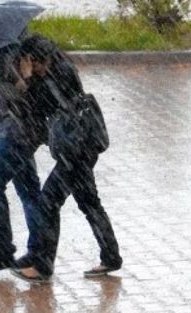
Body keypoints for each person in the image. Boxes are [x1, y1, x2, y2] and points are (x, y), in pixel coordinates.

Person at [11, 34, 123, 282]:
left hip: (75, 152)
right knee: (89, 202)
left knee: (48, 202)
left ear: (33, 59)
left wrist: (28, 80)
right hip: (84, 146)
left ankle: (42, 266)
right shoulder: (62, 68)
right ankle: (111, 256)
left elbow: (35, 106)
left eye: (27, 62)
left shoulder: (52, 77)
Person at [0, 43, 49, 275]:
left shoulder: (13, 51)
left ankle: (3, 249)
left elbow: (25, 94)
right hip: (21, 131)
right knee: (29, 191)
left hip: (17, 132)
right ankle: (39, 253)